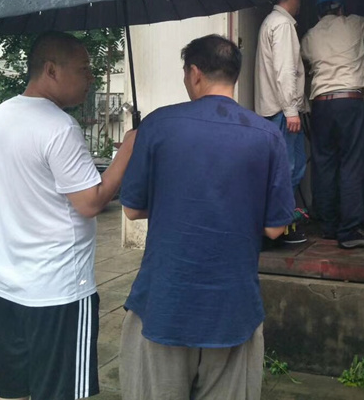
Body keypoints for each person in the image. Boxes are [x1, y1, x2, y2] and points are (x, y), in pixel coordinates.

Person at [119, 34, 295, 400]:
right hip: (233, 309)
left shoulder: (158, 125)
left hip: (163, 303)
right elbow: (275, 228)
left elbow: (132, 209)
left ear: (195, 73)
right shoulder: (267, 135)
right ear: (234, 75)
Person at [0, 31, 136, 400]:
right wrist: (127, 150)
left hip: (6, 283)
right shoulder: (58, 127)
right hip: (59, 290)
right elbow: (90, 202)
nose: (91, 78)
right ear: (51, 70)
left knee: (15, 389)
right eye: (83, 69)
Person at [300, 0, 364, 249]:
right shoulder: (354, 23)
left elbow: (303, 58)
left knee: (324, 164)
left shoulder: (310, 35)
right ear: (340, 9)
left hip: (321, 104)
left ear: (318, 13)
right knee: (351, 163)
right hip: (349, 100)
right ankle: (349, 231)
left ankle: (329, 226)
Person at [254, 0, 309, 244]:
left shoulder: (270, 22)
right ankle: (274, 231)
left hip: (273, 111)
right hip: (282, 112)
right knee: (287, 170)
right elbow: (285, 71)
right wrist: (291, 110)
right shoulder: (283, 25)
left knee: (288, 169)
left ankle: (279, 225)